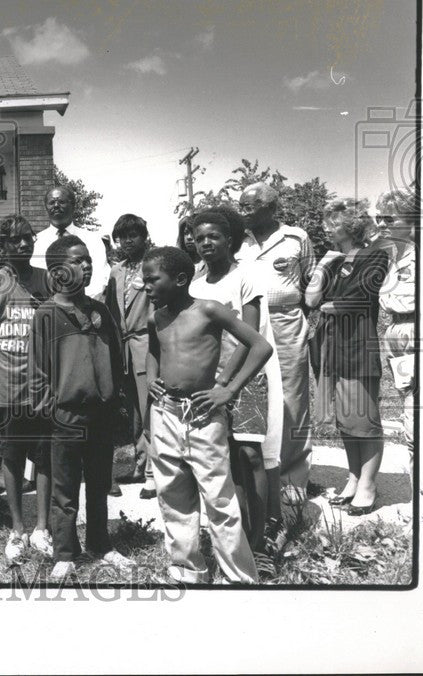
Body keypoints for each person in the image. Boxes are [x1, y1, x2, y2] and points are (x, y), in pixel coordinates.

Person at [143, 246, 270, 584]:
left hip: (202, 416)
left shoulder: (210, 311)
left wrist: (229, 389)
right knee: (173, 496)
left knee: (219, 499)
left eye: (152, 280)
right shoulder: (156, 318)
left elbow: (260, 346)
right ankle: (187, 570)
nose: (146, 287)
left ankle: (238, 576)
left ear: (181, 279)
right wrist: (153, 380)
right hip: (166, 414)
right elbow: (154, 352)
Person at [30, 234, 134, 580]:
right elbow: (37, 369)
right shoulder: (46, 314)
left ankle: (101, 544)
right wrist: (51, 409)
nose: (86, 265)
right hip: (66, 414)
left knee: (100, 482)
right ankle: (65, 551)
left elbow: (116, 358)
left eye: (88, 259)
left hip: (100, 414)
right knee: (65, 488)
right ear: (57, 270)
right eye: (77, 260)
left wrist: (115, 400)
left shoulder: (100, 310)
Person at [189, 208, 283, 568]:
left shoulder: (246, 276)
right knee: (219, 460)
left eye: (213, 236)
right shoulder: (195, 282)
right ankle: (232, 537)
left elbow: (249, 337)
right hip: (207, 384)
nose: (206, 243)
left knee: (249, 457)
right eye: (199, 238)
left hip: (243, 379)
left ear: (229, 239)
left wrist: (226, 382)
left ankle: (259, 544)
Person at [0, 215, 52, 562]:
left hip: (41, 383)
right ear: (1, 247)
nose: (23, 244)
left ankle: (42, 527)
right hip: (6, 384)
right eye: (15, 240)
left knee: (45, 453)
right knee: (11, 453)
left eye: (28, 238)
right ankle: (17, 529)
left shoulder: (47, 280)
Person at [306, 199, 389, 515]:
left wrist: (331, 305)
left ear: (351, 225)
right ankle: (354, 479)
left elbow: (359, 299)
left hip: (358, 342)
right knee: (345, 420)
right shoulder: (334, 260)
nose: (327, 227)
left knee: (363, 418)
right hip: (332, 344)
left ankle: (368, 485)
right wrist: (324, 263)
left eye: (333, 222)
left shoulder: (374, 256)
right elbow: (312, 299)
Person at [238, 183, 317, 512]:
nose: (242, 212)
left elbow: (312, 279)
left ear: (269, 209)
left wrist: (307, 322)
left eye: (249, 207)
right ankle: (260, 470)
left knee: (292, 398)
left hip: (286, 322)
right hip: (247, 324)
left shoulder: (296, 237)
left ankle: (293, 477)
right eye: (240, 206)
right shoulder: (236, 238)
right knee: (254, 394)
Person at [104, 214, 156, 499]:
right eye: (122, 236)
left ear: (144, 236)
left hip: (146, 343)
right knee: (132, 412)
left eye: (133, 235)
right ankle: (139, 462)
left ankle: (153, 473)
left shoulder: (154, 264)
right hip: (122, 347)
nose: (127, 241)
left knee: (149, 407)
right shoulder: (116, 270)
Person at [376, 188, 416, 490]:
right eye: (379, 218)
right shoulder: (391, 257)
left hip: (417, 330)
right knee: (408, 404)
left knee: (417, 416)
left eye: (389, 218)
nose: (381, 224)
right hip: (395, 333)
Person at [32, 186, 110, 295]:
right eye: (51, 202)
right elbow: (36, 279)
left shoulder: (93, 239)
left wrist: (82, 304)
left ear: (73, 205)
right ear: (46, 207)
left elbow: (100, 277)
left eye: (61, 202)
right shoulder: (36, 242)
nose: (56, 206)